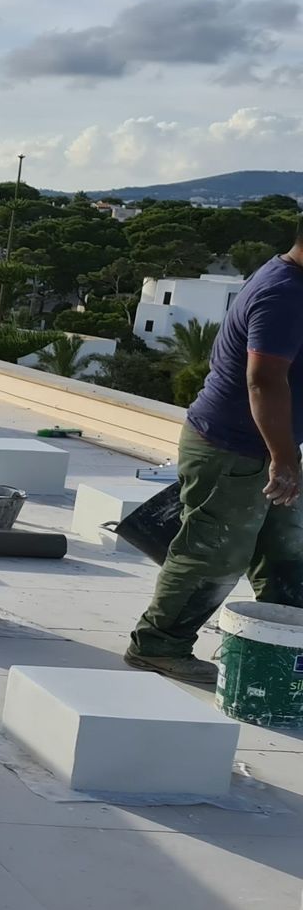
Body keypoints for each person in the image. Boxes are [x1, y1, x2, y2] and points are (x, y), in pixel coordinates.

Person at [129, 241, 303, 686]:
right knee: (213, 554)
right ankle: (157, 645)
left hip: (269, 448)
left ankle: (284, 650)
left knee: (287, 555)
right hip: (234, 449)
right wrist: (284, 457)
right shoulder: (284, 293)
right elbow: (263, 380)